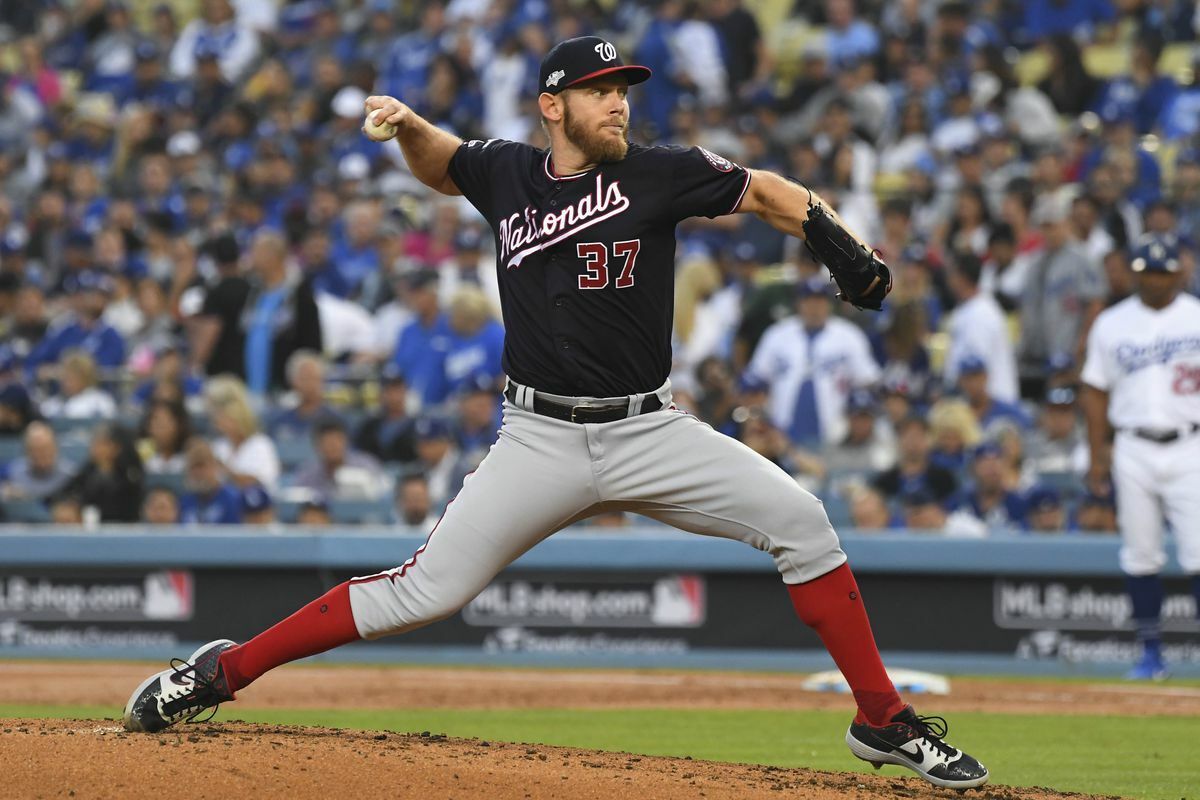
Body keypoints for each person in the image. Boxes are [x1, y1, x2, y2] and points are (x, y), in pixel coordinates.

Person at [122, 36, 987, 789]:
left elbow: (763, 191)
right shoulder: (505, 172)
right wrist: (413, 126)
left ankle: (881, 718)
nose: (618, 102)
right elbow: (442, 163)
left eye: (624, 91)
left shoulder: (656, 173)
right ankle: (218, 672)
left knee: (804, 523)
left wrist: (835, 237)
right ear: (553, 105)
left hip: (650, 429)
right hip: (538, 436)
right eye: (600, 91)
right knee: (424, 591)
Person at [1081, 234, 1200, 681]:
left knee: (1199, 554)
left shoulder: (1195, 316)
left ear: (1179, 272)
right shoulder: (1112, 322)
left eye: (1163, 271)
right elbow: (1094, 390)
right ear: (1135, 272)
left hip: (1192, 444)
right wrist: (1097, 456)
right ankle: (1151, 654)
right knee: (1140, 554)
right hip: (1132, 445)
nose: (1155, 279)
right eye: (1148, 271)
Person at [745, 276, 880, 447]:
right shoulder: (776, 335)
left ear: (829, 304)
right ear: (799, 303)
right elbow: (755, 380)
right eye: (809, 301)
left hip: (836, 433)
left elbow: (868, 381)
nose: (814, 307)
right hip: (780, 433)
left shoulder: (849, 336)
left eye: (820, 301)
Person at [942, 255, 1018, 403]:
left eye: (952, 273)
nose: (948, 279)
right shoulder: (970, 307)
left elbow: (976, 369)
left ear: (961, 277)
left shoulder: (980, 314)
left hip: (993, 403)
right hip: (981, 403)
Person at [205, 375, 281, 491]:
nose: (219, 420)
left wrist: (225, 471)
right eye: (218, 415)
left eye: (227, 416)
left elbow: (258, 484)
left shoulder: (261, 445)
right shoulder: (218, 447)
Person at [291, 418, 386, 500]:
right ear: (316, 446)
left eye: (337, 440)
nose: (333, 446)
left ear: (346, 441)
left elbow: (380, 497)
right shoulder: (307, 473)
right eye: (326, 442)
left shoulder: (366, 466)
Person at [0, 422, 75, 502]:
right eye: (35, 450)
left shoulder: (71, 476)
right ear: (26, 451)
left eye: (46, 448)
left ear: (55, 448)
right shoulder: (11, 473)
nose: (42, 454)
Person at [178, 438, 243, 525]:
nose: (197, 473)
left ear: (214, 466)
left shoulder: (233, 500)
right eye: (193, 467)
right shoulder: (184, 501)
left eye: (201, 466)